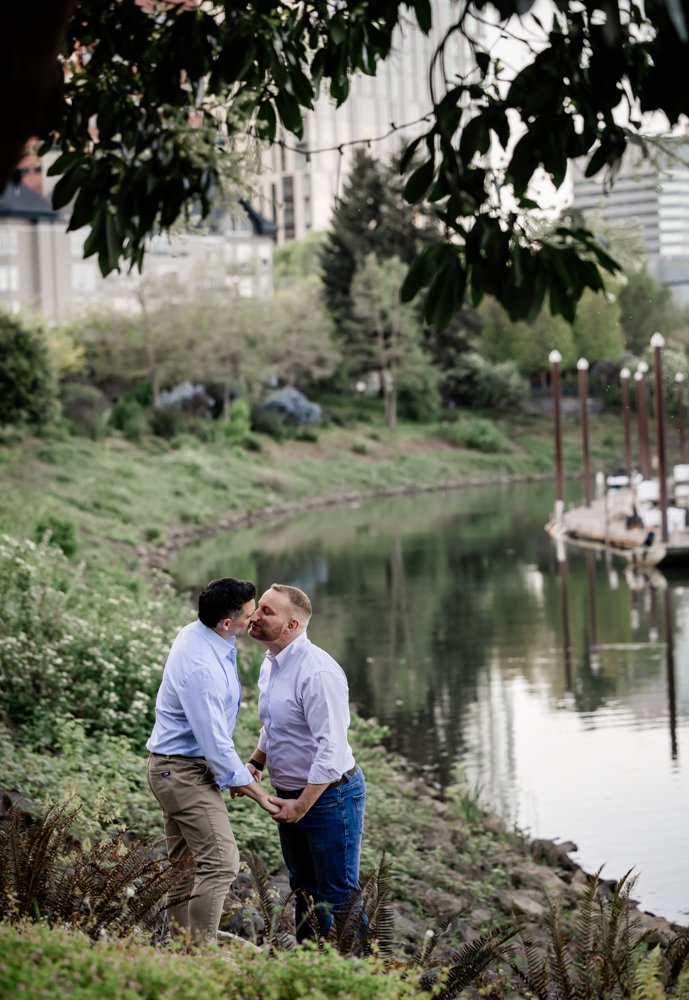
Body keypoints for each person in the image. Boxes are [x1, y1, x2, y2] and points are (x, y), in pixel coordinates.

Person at [146, 577, 277, 944]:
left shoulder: (200, 633)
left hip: (181, 767)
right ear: (226, 621)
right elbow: (215, 743)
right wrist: (258, 793)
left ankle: (179, 946)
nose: (254, 619)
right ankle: (199, 955)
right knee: (221, 863)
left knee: (184, 866)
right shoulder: (202, 668)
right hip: (183, 773)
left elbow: (215, 743)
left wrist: (237, 774)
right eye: (251, 613)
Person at [245, 583, 366, 942]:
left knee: (339, 895)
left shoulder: (318, 673)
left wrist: (301, 806)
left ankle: (365, 978)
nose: (254, 616)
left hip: (329, 798)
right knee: (304, 890)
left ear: (292, 626)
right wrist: (256, 761)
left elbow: (330, 752)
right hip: (291, 795)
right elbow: (276, 725)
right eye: (259, 607)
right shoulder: (271, 664)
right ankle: (310, 970)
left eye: (267, 612)